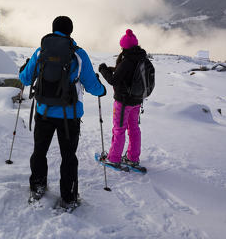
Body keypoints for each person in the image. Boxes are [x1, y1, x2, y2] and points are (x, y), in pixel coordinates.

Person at [19, 16, 106, 208]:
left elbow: (25, 79)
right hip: (69, 115)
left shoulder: (40, 51)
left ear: (53, 29)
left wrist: (24, 69)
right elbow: (92, 85)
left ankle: (38, 187)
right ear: (70, 32)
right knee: (68, 156)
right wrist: (102, 90)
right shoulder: (78, 53)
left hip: (43, 111)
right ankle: (68, 198)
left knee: (39, 151)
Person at [98, 29, 148, 168]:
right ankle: (133, 157)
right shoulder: (141, 59)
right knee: (133, 128)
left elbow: (114, 80)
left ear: (124, 47)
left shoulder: (127, 61)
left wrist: (103, 69)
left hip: (123, 102)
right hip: (137, 101)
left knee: (119, 129)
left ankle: (114, 158)